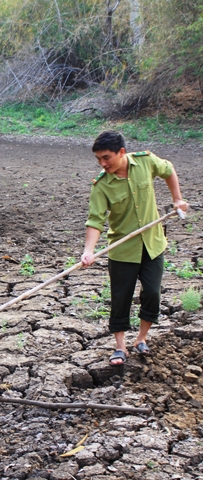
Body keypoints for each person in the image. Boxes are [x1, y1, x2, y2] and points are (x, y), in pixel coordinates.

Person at [81, 131, 188, 366]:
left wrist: (177, 198)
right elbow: (95, 220)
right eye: (99, 159)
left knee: (152, 293)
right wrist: (89, 251)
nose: (103, 163)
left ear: (122, 152)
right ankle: (120, 347)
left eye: (106, 157)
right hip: (123, 251)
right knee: (121, 299)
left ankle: (141, 338)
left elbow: (168, 170)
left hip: (152, 245)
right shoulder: (101, 185)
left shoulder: (146, 161)